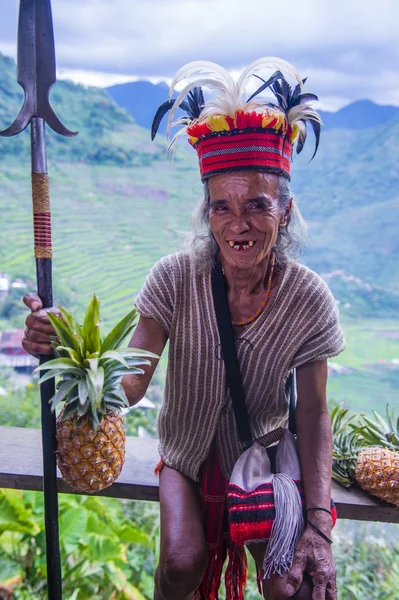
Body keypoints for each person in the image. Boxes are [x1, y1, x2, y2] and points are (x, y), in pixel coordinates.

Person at [23, 57, 345, 600]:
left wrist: (318, 524)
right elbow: (129, 383)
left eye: (257, 205)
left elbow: (312, 413)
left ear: (285, 211)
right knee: (180, 562)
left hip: (263, 455)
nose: (236, 223)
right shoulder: (174, 279)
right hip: (186, 456)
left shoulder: (308, 297)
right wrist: (63, 344)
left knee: (291, 584)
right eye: (221, 206)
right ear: (207, 211)